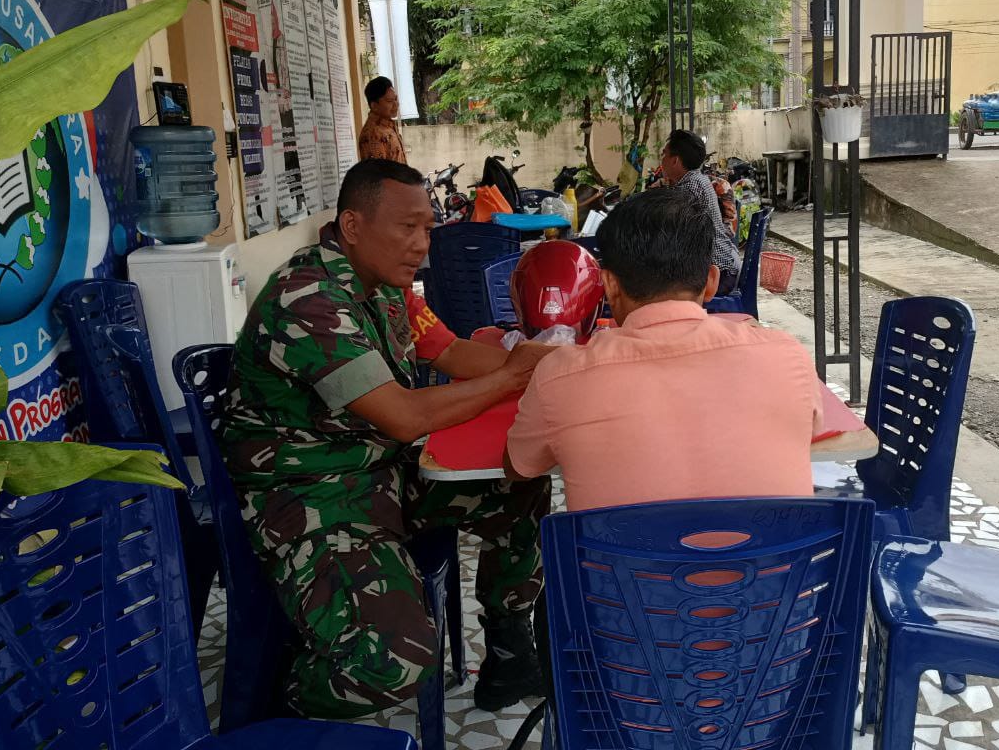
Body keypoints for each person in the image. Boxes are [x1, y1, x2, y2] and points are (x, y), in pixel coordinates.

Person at [219, 159, 554, 719]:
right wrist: (511, 377)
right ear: (353, 226)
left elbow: (450, 352)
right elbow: (402, 416)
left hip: (381, 474)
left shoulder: (387, 288)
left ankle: (508, 653)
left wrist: (544, 365)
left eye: (427, 228)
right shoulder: (308, 299)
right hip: (312, 496)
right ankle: (282, 707)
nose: (422, 243)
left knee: (520, 484)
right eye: (407, 227)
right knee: (394, 660)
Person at [504, 188, 823, 512]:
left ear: (609, 285)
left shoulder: (560, 377)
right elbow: (808, 431)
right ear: (711, 282)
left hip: (622, 549)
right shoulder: (788, 357)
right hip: (773, 547)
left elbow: (518, 467)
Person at [659, 129, 742, 296]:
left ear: (675, 160)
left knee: (654, 288)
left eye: (664, 154)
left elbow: (673, 234)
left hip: (718, 275)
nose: (662, 159)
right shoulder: (698, 179)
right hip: (724, 266)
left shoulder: (688, 188)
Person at [358, 76, 407, 163]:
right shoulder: (373, 134)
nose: (396, 104)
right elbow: (377, 171)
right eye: (389, 101)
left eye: (396, 99)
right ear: (374, 106)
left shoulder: (388, 126)